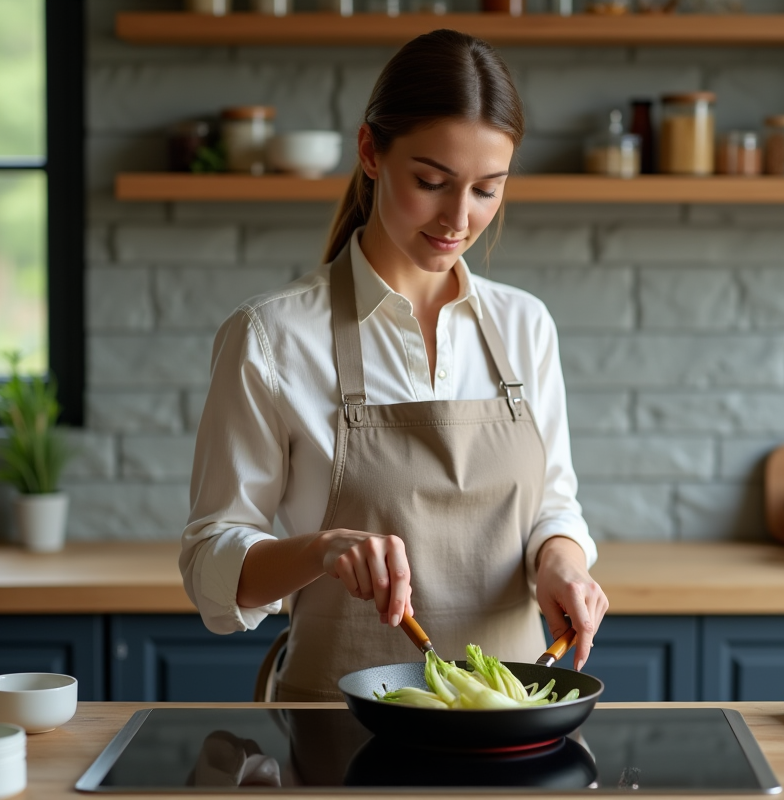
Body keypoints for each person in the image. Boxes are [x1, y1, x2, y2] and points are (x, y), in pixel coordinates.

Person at [179, 28, 609, 702]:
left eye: (487, 190)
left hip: (512, 726)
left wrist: (562, 564)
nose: (458, 219)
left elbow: (554, 504)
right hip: (336, 731)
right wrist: (321, 549)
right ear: (370, 152)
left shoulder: (524, 325)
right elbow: (209, 563)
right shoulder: (271, 335)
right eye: (431, 182)